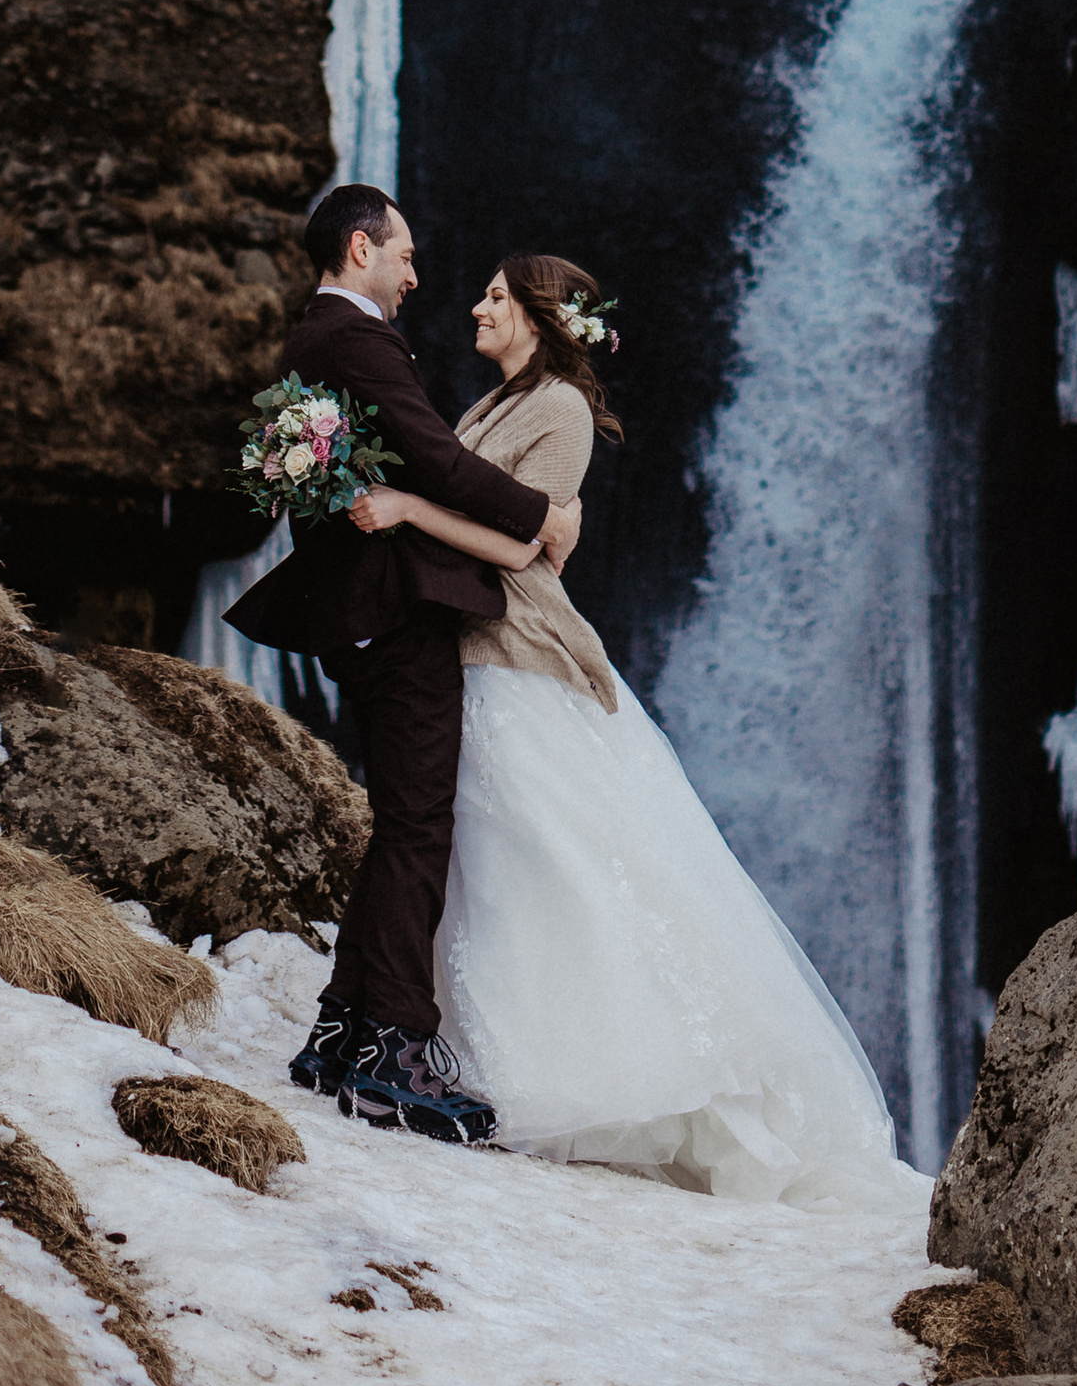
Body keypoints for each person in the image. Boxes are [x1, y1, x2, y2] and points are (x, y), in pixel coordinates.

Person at [348, 253, 916, 1208]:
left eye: (495, 294)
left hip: (519, 653)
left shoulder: (560, 408)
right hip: (466, 649)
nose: (476, 307)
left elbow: (526, 543)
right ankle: (459, 1045)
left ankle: (582, 1072)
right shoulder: (490, 407)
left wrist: (407, 506)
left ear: (538, 313)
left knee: (548, 856)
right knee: (493, 855)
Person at [227, 183, 580, 1147]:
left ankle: (343, 1030)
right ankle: (395, 1052)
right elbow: (431, 459)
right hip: (390, 607)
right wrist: (541, 517)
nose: (418, 275)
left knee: (401, 825)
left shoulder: (316, 339)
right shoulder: (356, 341)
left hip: (356, 612)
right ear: (358, 249)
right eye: (406, 255)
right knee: (421, 824)